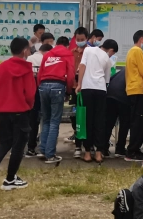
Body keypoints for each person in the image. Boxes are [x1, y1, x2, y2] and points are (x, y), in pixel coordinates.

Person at [0, 37, 36, 192]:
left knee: (5, 143)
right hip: (20, 111)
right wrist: (29, 106)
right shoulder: (26, 69)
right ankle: (10, 179)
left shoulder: (1, 68)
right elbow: (30, 93)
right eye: (28, 49)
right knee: (19, 145)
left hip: (3, 111)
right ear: (24, 51)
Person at [76, 38, 118, 163]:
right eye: (113, 53)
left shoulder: (88, 50)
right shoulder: (107, 59)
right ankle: (99, 153)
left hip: (87, 88)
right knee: (100, 120)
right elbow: (107, 80)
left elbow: (82, 66)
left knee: (87, 120)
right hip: (100, 89)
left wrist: (79, 84)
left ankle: (87, 153)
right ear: (111, 50)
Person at [36, 35, 74, 164]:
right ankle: (50, 155)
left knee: (45, 119)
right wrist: (68, 91)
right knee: (54, 121)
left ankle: (42, 150)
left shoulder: (48, 54)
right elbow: (70, 76)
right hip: (58, 86)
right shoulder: (68, 54)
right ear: (67, 46)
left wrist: (40, 87)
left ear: (56, 44)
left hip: (43, 86)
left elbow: (40, 73)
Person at [123, 29, 143, 162]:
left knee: (138, 121)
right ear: (142, 39)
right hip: (138, 90)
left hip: (134, 89)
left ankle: (135, 149)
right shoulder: (137, 51)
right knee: (139, 122)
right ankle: (132, 151)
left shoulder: (131, 51)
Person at [25, 38, 53, 159]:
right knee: (44, 120)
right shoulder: (46, 59)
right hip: (42, 91)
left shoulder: (29, 58)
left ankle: (30, 148)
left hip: (30, 92)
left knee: (31, 120)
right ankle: (42, 145)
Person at [66, 26, 90, 156]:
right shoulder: (71, 52)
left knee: (85, 116)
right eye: (78, 39)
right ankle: (77, 143)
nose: (80, 41)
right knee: (74, 115)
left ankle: (87, 144)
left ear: (87, 39)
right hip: (74, 88)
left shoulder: (90, 52)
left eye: (82, 39)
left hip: (85, 87)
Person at [106, 64, 129, 158]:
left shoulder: (122, 71)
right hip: (123, 97)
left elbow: (110, 79)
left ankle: (103, 148)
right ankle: (120, 149)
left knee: (108, 123)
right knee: (125, 124)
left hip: (110, 95)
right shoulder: (134, 71)